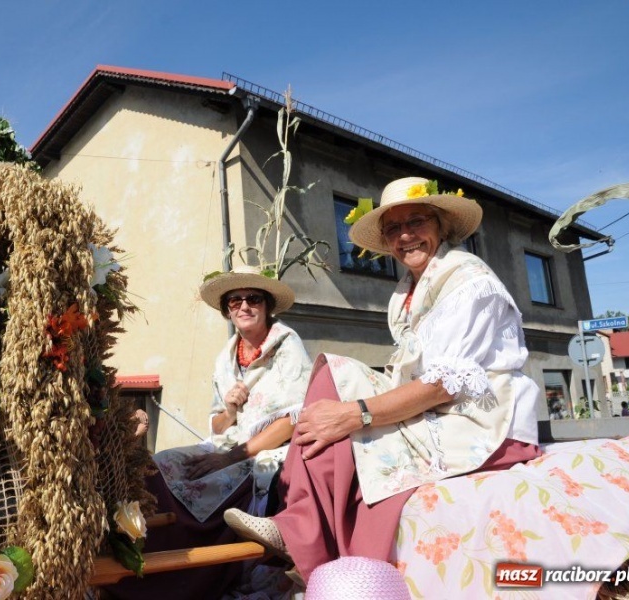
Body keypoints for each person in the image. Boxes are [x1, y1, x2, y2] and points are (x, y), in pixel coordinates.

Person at [224, 176, 541, 586]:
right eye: (394, 228)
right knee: (331, 381)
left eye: (417, 221)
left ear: (442, 226)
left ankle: (309, 542)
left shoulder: (469, 283)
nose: (405, 235)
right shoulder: (409, 290)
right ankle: (303, 533)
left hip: (480, 419)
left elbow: (446, 383)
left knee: (352, 421)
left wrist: (357, 414)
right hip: (436, 409)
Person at [102, 265, 312, 599]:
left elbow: (293, 420)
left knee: (213, 484)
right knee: (160, 464)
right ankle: (135, 560)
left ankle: (188, 577)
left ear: (267, 306)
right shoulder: (227, 356)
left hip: (270, 450)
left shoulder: (287, 346)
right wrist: (230, 408)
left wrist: (229, 458)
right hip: (228, 444)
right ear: (226, 309)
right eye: (234, 301)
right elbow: (216, 424)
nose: (243, 307)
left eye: (253, 299)